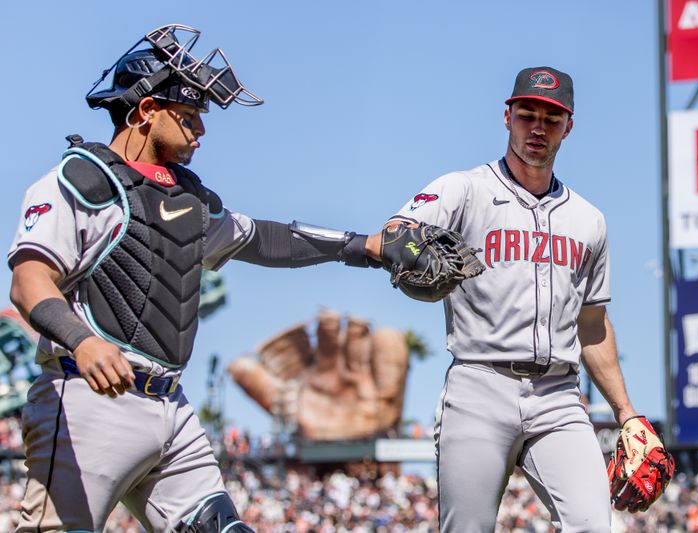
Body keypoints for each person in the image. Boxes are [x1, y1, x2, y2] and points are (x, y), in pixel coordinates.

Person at [7, 24, 400, 533]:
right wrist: (81, 342)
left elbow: (263, 238)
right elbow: (29, 280)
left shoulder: (187, 201)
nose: (202, 130)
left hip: (170, 404)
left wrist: (364, 246)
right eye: (189, 115)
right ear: (146, 111)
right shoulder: (80, 181)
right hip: (87, 400)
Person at [389, 67, 643, 532]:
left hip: (559, 395)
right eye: (527, 115)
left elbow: (592, 324)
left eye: (551, 119)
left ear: (569, 126)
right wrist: (406, 249)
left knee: (594, 525)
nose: (538, 129)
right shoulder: (464, 190)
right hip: (480, 385)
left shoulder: (589, 220)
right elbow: (395, 233)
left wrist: (626, 413)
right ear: (507, 117)